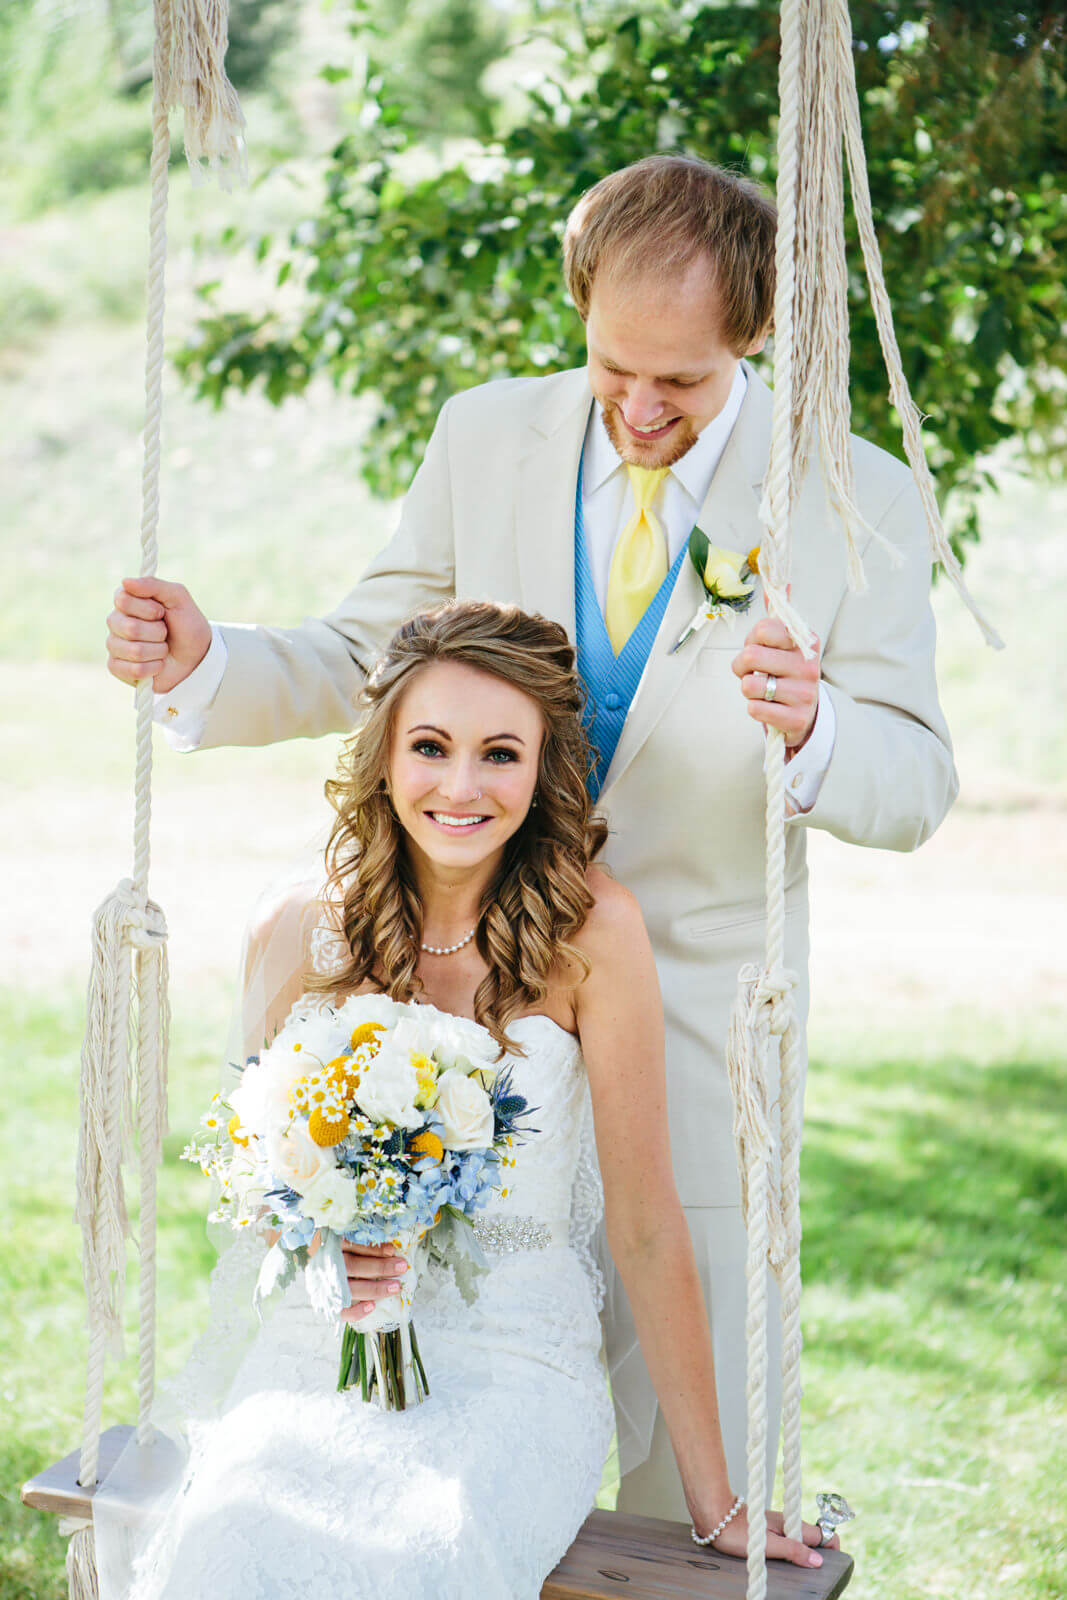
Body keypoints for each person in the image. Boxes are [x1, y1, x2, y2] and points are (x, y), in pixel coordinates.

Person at [104, 154, 957, 1514]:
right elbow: (363, 654)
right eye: (612, 364)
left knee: (691, 1473)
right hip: (470, 1013)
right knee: (437, 1423)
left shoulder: (852, 499)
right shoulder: (487, 435)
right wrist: (211, 663)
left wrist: (814, 735)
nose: (636, 406)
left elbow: (914, 781)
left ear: (748, 336)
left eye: (677, 380)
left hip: (697, 1029)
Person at [100, 601, 835, 1600]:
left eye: (498, 754)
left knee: (428, 1547)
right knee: (234, 1534)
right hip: (325, 1350)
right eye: (430, 747)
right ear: (384, 756)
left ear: (541, 772)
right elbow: (254, 1179)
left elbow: (646, 1224)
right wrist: (329, 1237)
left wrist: (714, 1499)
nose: (460, 785)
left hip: (515, 1368)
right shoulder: (301, 927)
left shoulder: (592, 932)